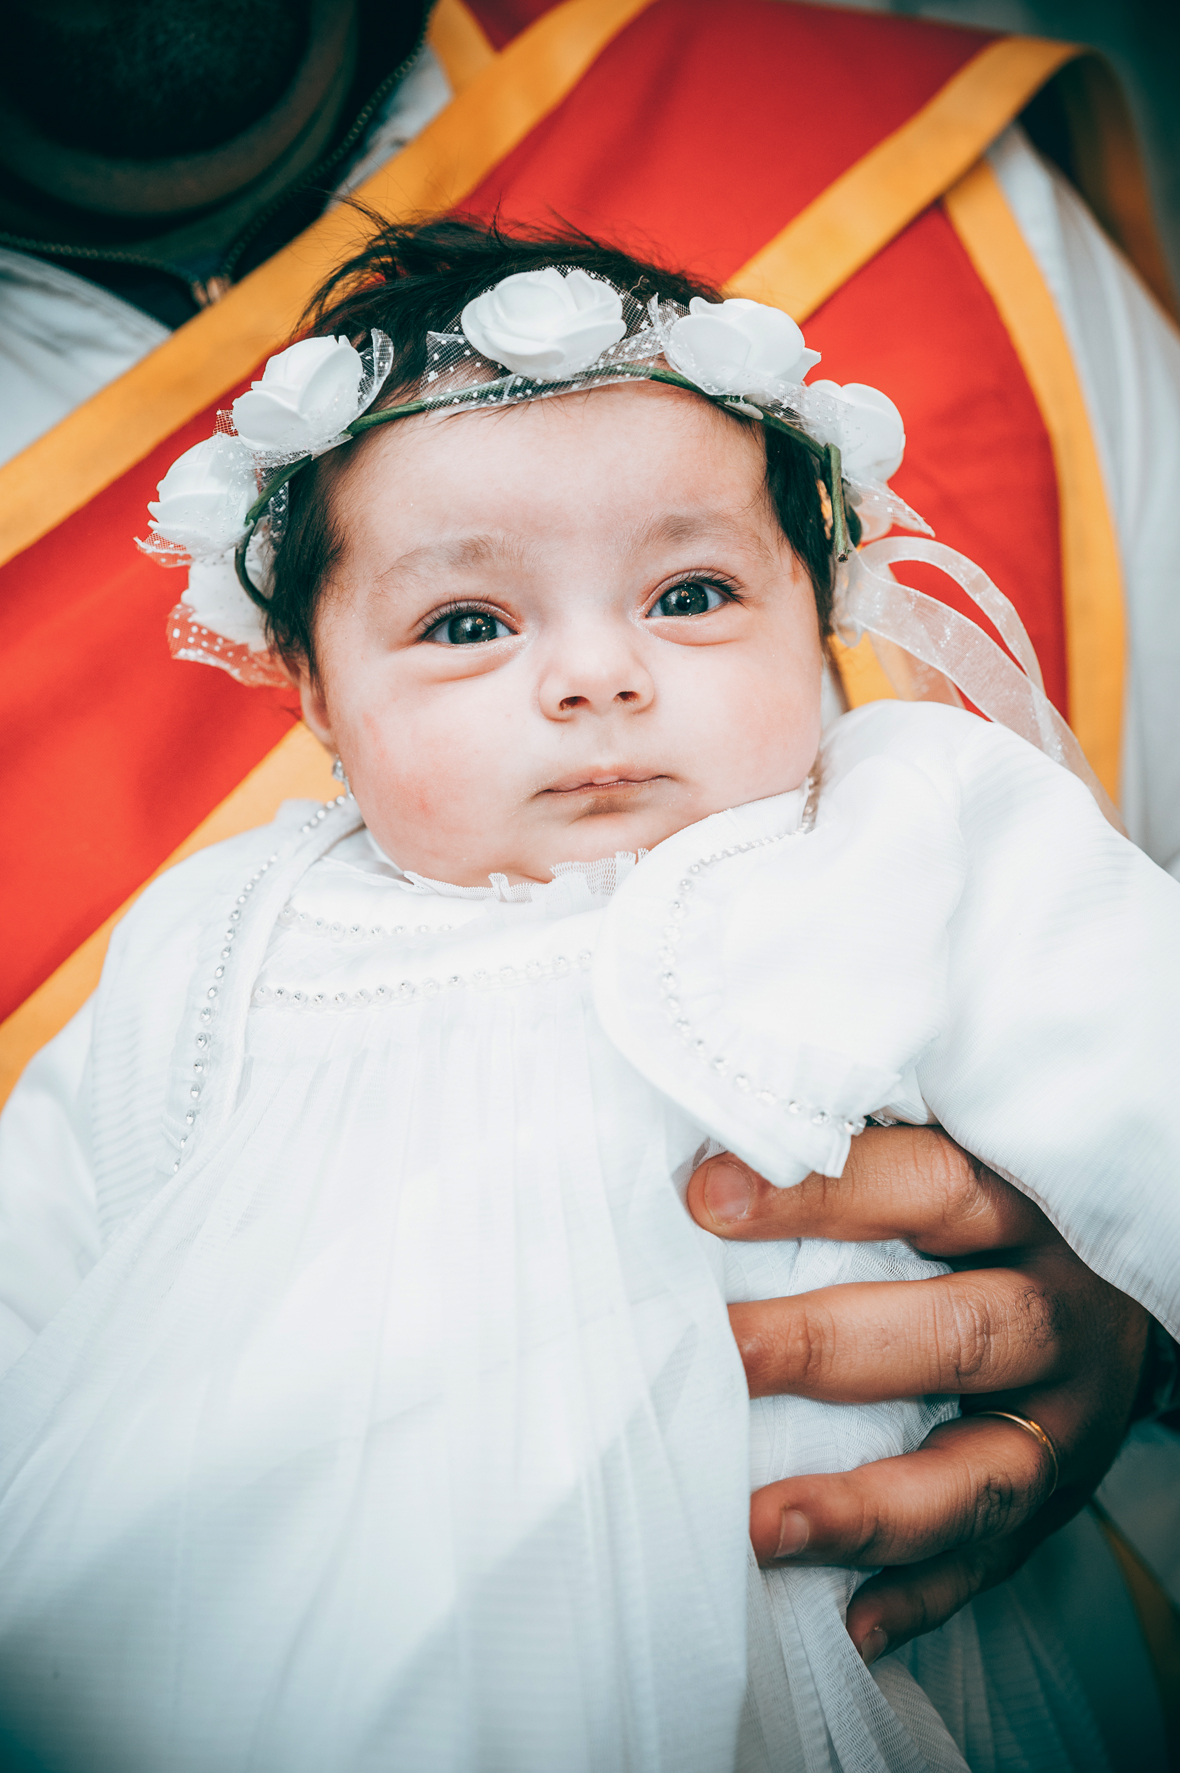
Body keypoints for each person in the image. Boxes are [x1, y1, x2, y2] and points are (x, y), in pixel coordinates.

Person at [2, 2, 1177, 1728]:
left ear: (824, 611)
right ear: (313, 698)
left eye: (690, 595)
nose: (596, 675)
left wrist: (1128, 1309)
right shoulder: (221, 943)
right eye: (469, 623)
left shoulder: (911, 831)